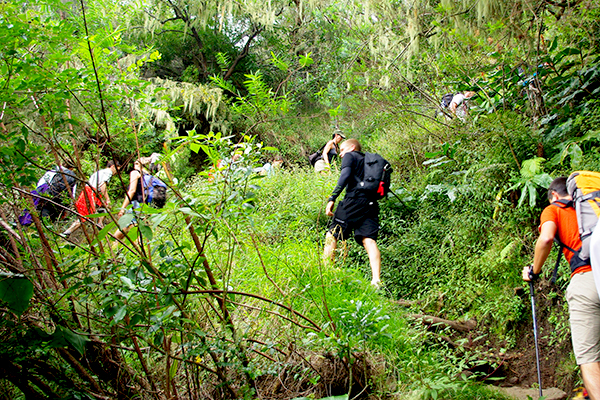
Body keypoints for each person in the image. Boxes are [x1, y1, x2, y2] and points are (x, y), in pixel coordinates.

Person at [522, 177, 600, 399]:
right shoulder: (592, 205)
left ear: (554, 195)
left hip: (586, 278)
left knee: (589, 357)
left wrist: (534, 272)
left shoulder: (553, 209)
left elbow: (546, 239)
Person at [323, 138, 381, 288]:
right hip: (371, 203)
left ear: (352, 147)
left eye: (342, 150)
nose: (341, 154)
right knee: (368, 240)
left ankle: (326, 272)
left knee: (332, 233)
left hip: (353, 201)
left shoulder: (350, 156)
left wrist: (332, 197)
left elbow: (345, 176)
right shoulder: (370, 162)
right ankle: (376, 280)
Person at [61, 161, 119, 237]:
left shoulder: (100, 172)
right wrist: (107, 198)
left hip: (90, 191)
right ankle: (67, 232)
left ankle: (100, 223)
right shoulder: (108, 172)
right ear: (113, 166)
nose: (116, 172)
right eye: (117, 170)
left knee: (104, 207)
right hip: (90, 192)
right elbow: (102, 185)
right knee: (85, 215)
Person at [114, 159, 166, 241]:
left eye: (136, 162)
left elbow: (132, 190)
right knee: (136, 229)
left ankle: (114, 250)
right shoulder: (148, 175)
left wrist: (122, 208)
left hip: (135, 205)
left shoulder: (135, 173)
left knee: (128, 230)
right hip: (144, 205)